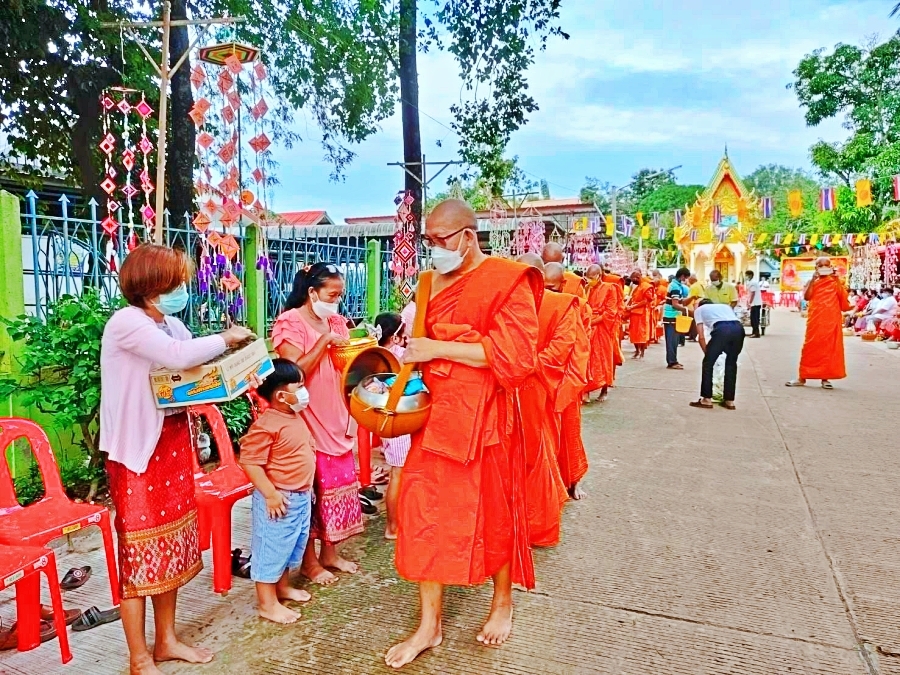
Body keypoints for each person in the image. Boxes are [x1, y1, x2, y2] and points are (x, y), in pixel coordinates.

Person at [386, 200, 540, 668]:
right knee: (423, 515)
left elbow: (516, 357)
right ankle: (428, 625)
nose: (434, 249)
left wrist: (439, 347)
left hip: (486, 418)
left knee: (493, 510)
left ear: (469, 235)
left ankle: (501, 604)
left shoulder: (506, 279)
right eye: (428, 241)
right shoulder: (431, 281)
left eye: (441, 240)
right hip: (433, 416)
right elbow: (418, 346)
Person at [99, 244, 254, 675]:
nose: (182, 289)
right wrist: (227, 338)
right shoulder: (127, 323)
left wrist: (239, 367)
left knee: (170, 546)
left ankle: (166, 640)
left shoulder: (169, 322)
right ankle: (138, 656)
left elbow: (197, 368)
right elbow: (179, 358)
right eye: (175, 281)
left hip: (169, 444)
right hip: (136, 452)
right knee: (138, 553)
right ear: (152, 285)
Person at [272, 263, 364, 585]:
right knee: (312, 490)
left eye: (340, 295)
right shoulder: (290, 322)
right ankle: (309, 562)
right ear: (312, 292)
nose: (336, 302)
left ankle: (330, 552)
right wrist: (324, 340)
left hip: (336, 411)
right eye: (332, 294)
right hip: (306, 417)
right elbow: (293, 372)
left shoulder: (337, 321)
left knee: (337, 486)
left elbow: (346, 362)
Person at [239, 359, 315, 624]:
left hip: (300, 497)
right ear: (282, 395)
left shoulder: (293, 416)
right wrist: (270, 494)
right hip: (278, 499)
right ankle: (267, 604)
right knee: (270, 550)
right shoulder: (266, 425)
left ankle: (281, 588)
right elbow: (250, 461)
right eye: (300, 386)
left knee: (288, 546)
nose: (305, 392)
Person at [515, 253, 571, 547]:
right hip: (510, 385)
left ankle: (537, 525)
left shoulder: (561, 306)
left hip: (533, 388)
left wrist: (521, 363)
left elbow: (559, 352)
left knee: (535, 453)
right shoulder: (507, 302)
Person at [544, 262, 590, 499]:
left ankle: (573, 481)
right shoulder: (530, 302)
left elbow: (580, 349)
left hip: (565, 381)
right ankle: (549, 485)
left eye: (551, 288)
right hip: (539, 384)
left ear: (563, 284)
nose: (546, 293)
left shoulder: (575, 306)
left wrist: (569, 386)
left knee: (569, 434)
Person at [373, 311, 412, 540]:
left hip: (388, 422)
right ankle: (393, 526)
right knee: (398, 473)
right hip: (399, 421)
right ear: (395, 336)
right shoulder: (398, 356)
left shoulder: (377, 356)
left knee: (397, 472)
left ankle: (396, 523)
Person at [786, 257, 851, 390]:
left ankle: (825, 378)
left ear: (830, 267)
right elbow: (807, 297)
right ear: (816, 268)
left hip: (831, 320)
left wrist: (836, 279)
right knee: (810, 347)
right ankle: (802, 377)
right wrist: (812, 280)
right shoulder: (813, 281)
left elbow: (843, 301)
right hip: (816, 320)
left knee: (828, 349)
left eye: (826, 265)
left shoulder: (835, 282)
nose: (823, 268)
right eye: (819, 265)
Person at [689, 299, 745, 410]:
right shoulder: (724, 307)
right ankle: (729, 401)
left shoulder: (699, 310)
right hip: (739, 329)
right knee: (731, 363)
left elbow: (701, 337)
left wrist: (708, 354)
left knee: (708, 364)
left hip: (722, 329)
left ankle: (706, 399)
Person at [585, 264, 617, 402]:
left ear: (599, 276)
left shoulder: (610, 289)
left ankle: (604, 389)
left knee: (603, 358)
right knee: (587, 359)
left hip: (602, 328)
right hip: (588, 327)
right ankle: (585, 391)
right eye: (587, 278)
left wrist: (593, 322)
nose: (589, 280)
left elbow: (610, 313)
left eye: (591, 278)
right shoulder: (587, 289)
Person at [663, 267, 691, 369]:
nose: (686, 280)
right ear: (682, 276)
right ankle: (672, 362)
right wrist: (686, 310)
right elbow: (675, 304)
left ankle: (673, 360)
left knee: (674, 340)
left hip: (673, 316)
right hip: (671, 316)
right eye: (686, 277)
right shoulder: (675, 287)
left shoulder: (676, 285)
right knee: (672, 340)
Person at [625, 270, 653, 359]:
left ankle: (642, 352)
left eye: (633, 279)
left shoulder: (646, 287)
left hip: (642, 314)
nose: (632, 282)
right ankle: (637, 351)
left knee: (641, 334)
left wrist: (633, 307)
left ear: (638, 277)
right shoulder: (637, 287)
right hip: (634, 314)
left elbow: (646, 301)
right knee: (633, 333)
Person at [745, 270, 763, 338]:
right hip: (754, 303)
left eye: (746, 275)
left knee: (755, 319)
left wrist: (750, 302)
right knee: (753, 319)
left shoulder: (753, 283)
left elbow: (752, 293)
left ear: (750, 275)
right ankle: (754, 332)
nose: (745, 277)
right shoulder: (751, 282)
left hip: (755, 303)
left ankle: (756, 333)